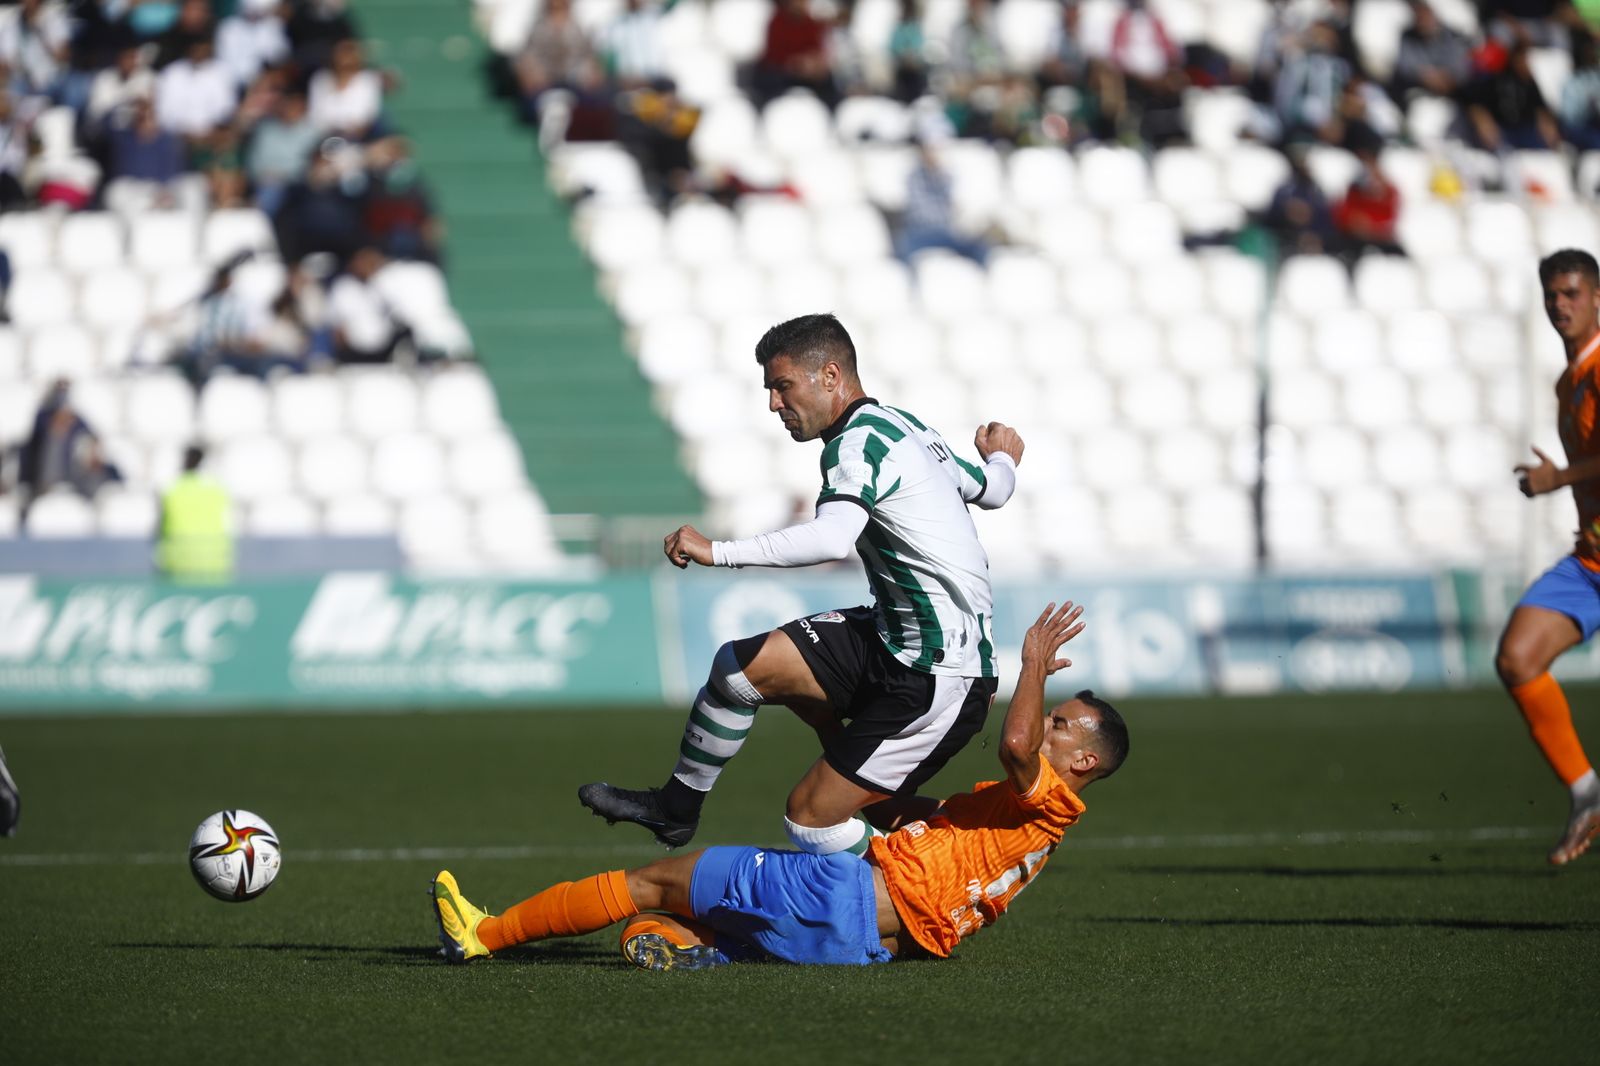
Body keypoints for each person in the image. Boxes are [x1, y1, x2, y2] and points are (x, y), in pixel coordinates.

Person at [432, 601, 1127, 969]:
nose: (1048, 730)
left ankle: (485, 935)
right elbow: (889, 803)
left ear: (1084, 763)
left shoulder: (1050, 800)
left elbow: (1013, 742)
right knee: (691, 915)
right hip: (871, 945)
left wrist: (1035, 664)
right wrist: (827, 725)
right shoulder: (1010, 824)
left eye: (1063, 726)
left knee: (656, 879)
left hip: (852, 897)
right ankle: (690, 947)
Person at [579, 313, 1023, 860]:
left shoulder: (858, 444)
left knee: (815, 820)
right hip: (892, 639)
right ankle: (676, 808)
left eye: (782, 386)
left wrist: (717, 552)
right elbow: (992, 489)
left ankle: (948, 873)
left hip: (941, 677)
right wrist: (1002, 454)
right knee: (739, 670)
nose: (773, 404)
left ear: (831, 376)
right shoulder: (904, 426)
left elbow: (832, 540)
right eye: (769, 388)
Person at [1496, 248, 1600, 866]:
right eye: (1551, 295)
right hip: (1591, 562)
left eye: (1571, 293)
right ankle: (1586, 792)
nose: (1559, 305)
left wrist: (1559, 477)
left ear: (1596, 299)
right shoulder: (1572, 378)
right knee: (1517, 655)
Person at [156, 444, 234, 583]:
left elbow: (159, 527)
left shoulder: (171, 489)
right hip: (214, 563)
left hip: (177, 563)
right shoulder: (218, 489)